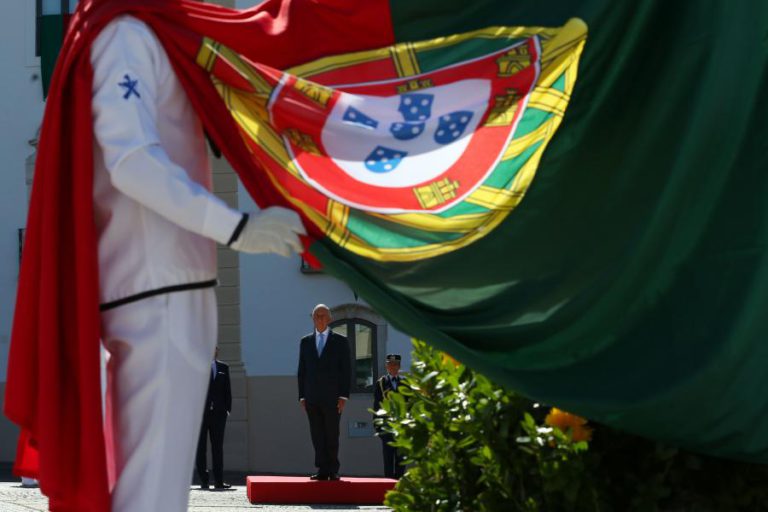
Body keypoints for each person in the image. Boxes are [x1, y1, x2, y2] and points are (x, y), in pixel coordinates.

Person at [91, 15, 305, 512]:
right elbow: (131, 161)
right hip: (154, 296)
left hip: (167, 292)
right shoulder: (128, 31)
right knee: (147, 495)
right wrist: (236, 227)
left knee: (156, 492)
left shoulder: (147, 28)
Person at [297, 304, 351, 481]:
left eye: (322, 316)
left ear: (329, 319)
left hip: (333, 397)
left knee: (332, 433)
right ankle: (322, 469)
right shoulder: (305, 342)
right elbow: (302, 370)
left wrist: (343, 396)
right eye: (316, 316)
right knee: (317, 434)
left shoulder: (341, 341)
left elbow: (346, 370)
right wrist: (302, 396)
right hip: (312, 397)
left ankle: (333, 469)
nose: (319, 319)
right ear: (312, 318)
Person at [196, 346, 233, 490]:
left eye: (215, 349)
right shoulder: (197, 366)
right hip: (201, 414)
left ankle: (219, 481)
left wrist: (227, 409)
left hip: (218, 414)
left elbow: (227, 390)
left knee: (217, 448)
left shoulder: (224, 367)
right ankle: (204, 481)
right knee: (201, 448)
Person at [373, 354, 407, 479]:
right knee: (388, 459)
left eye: (395, 364)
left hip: (402, 427)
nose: (393, 367)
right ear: (386, 366)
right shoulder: (381, 383)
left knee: (401, 459)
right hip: (386, 427)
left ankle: (399, 486)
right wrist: (378, 427)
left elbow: (410, 405)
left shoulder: (405, 383)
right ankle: (387, 487)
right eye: (390, 364)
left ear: (399, 366)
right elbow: (377, 406)